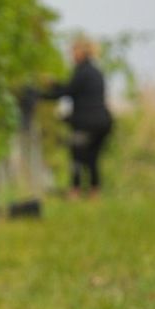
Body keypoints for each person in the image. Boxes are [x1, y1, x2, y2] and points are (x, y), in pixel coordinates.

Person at [42, 36, 114, 196]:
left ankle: (75, 191)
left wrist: (41, 94)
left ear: (82, 52)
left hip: (87, 123)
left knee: (76, 156)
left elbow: (67, 91)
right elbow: (72, 89)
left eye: (73, 51)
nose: (71, 54)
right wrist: (55, 86)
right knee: (92, 159)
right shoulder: (96, 71)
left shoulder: (82, 71)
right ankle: (95, 192)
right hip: (103, 122)